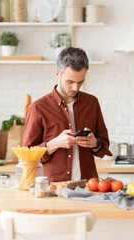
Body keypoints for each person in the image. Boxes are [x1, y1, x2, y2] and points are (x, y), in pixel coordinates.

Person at [22, 47, 112, 182]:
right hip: (53, 188)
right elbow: (27, 154)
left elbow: (103, 145)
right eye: (70, 82)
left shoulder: (92, 103)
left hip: (89, 186)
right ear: (57, 74)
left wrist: (95, 143)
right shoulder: (38, 108)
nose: (76, 88)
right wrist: (55, 143)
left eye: (80, 81)